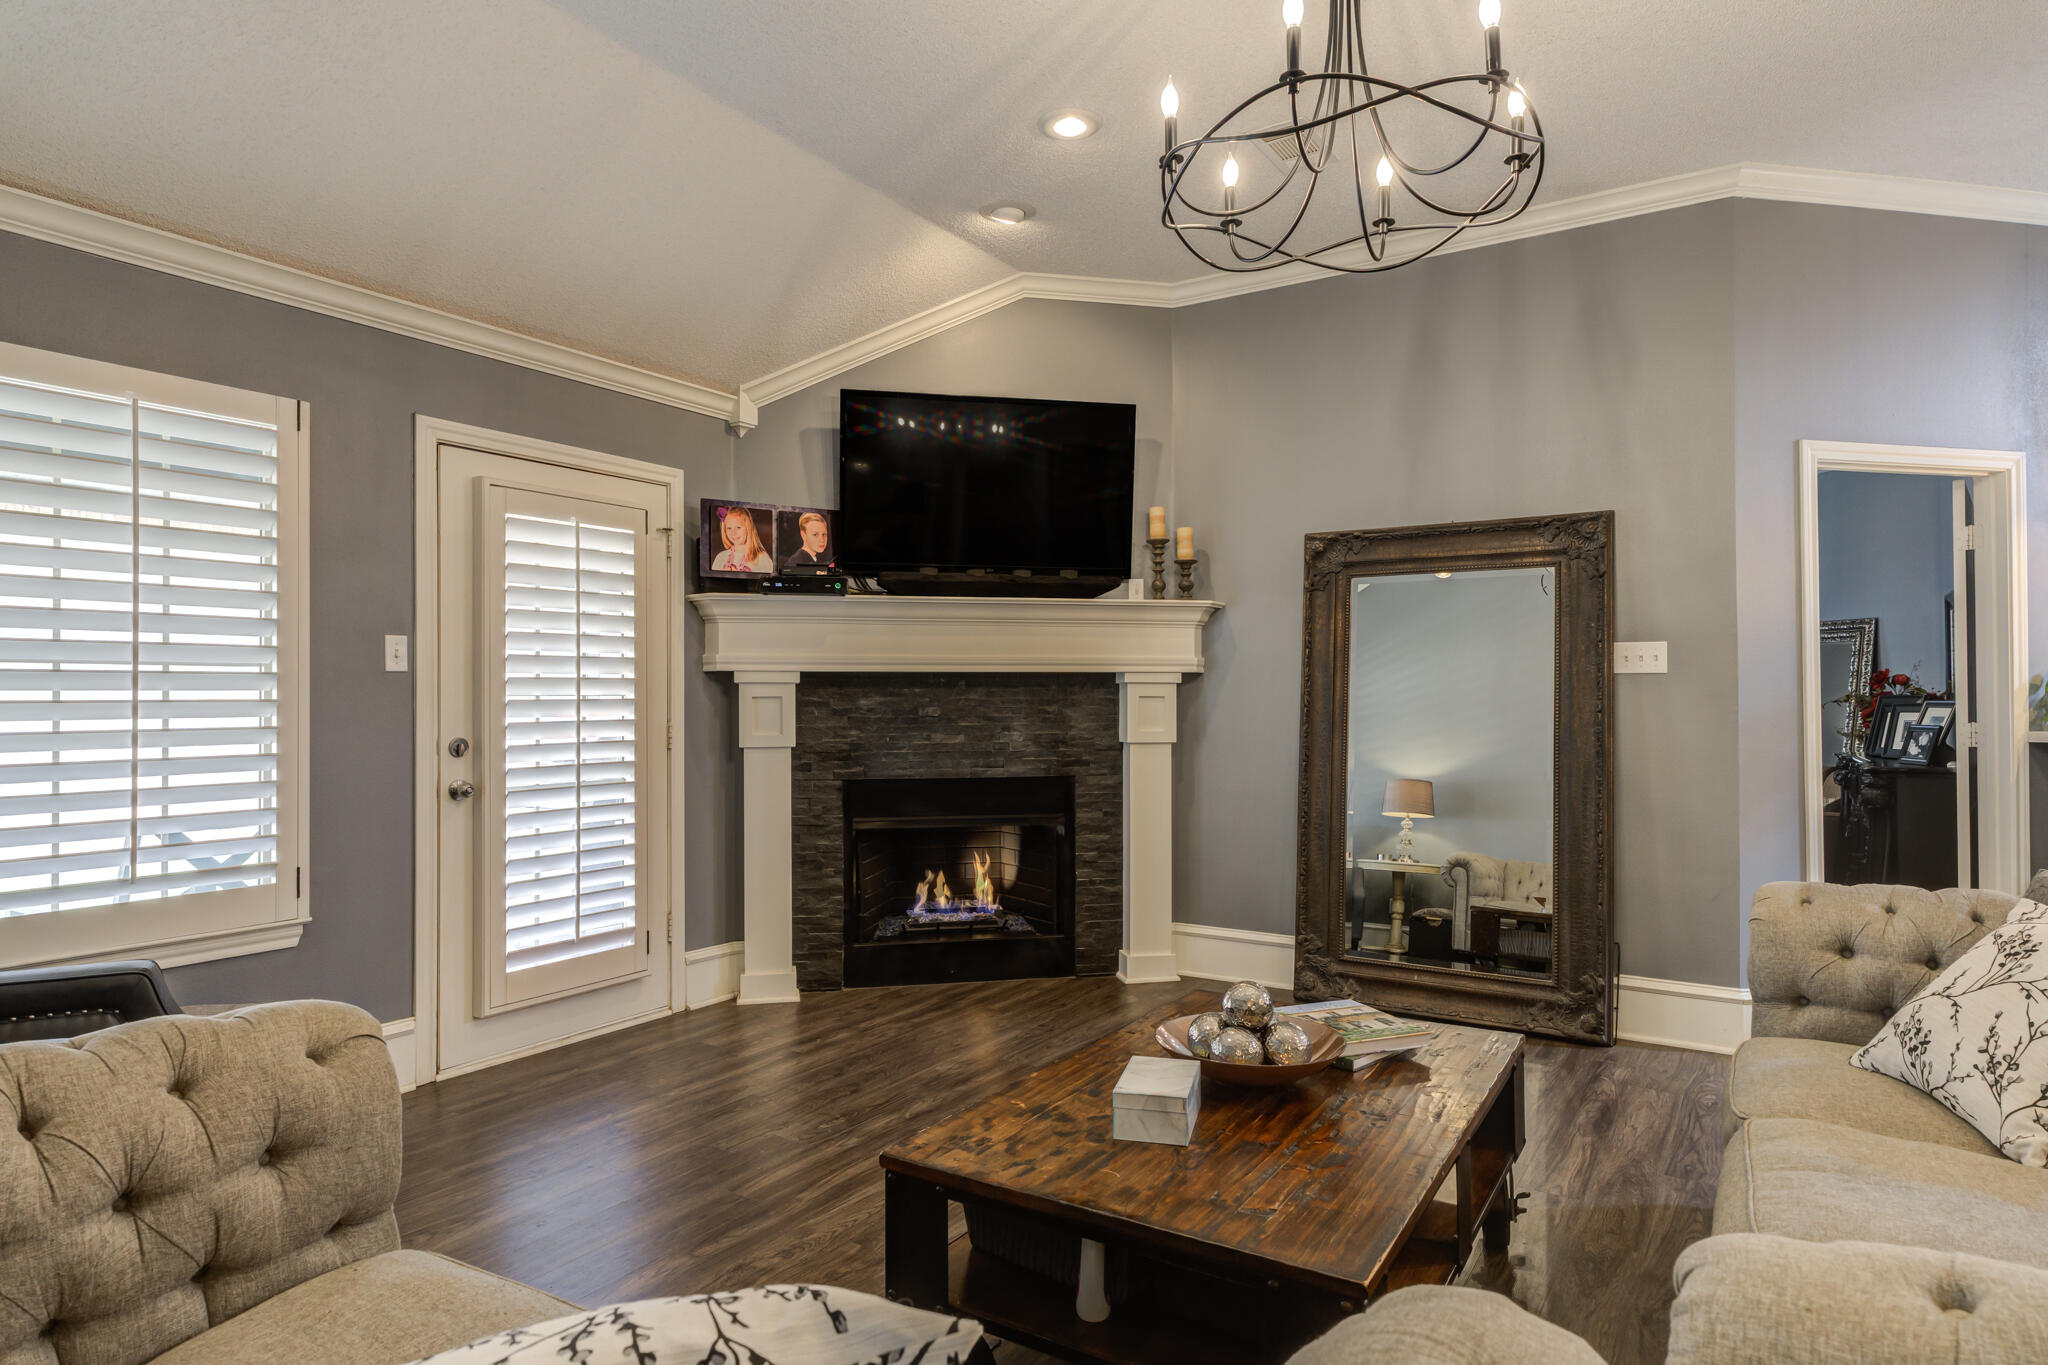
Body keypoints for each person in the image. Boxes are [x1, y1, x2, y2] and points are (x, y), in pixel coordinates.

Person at [710, 506, 771, 573]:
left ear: (748, 528)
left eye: (738, 527)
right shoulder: (721, 558)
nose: (733, 533)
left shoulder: (761, 558)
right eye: (729, 528)